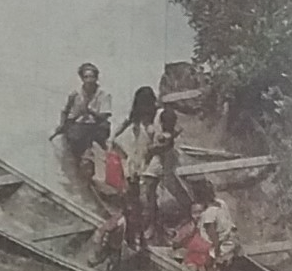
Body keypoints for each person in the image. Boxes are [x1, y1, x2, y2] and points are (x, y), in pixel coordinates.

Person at [111, 86, 157, 247]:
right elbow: (123, 128)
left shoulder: (154, 118)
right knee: (134, 195)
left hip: (145, 156)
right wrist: (115, 136)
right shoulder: (136, 118)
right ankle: (136, 230)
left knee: (145, 196)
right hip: (136, 156)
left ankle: (145, 228)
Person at [143, 104, 192, 239]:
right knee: (149, 184)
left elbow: (161, 148)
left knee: (172, 185)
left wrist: (150, 149)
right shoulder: (159, 115)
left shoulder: (169, 134)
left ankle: (190, 211)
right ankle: (153, 221)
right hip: (158, 157)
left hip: (166, 156)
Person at [56, 63, 112, 172]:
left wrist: (89, 111)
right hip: (78, 126)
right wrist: (62, 124)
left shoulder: (103, 95)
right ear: (82, 78)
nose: (89, 80)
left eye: (92, 77)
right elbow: (65, 111)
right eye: (86, 77)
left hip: (96, 127)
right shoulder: (75, 94)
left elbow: (104, 115)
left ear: (96, 78)